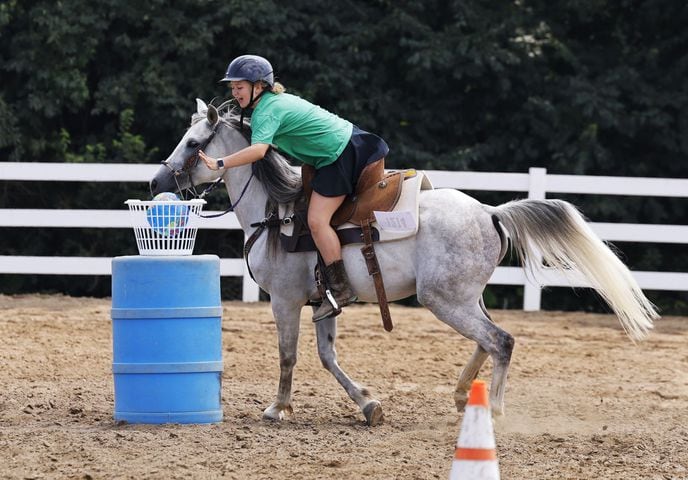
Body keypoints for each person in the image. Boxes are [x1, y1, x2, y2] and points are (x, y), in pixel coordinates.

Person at [199, 54, 389, 322]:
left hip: (341, 156)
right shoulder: (273, 103)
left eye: (239, 87)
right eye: (232, 87)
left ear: (259, 86)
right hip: (347, 147)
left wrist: (220, 162)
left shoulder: (267, 110)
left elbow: (258, 150)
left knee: (316, 221)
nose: (234, 92)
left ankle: (341, 288)